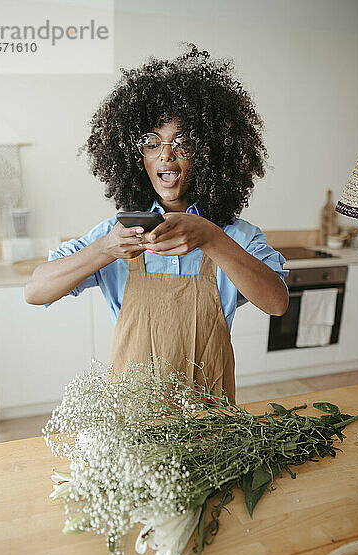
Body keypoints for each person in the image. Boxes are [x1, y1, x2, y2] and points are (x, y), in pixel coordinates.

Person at [25, 43, 290, 405]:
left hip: (208, 410)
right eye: (152, 143)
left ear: (210, 154)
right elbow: (35, 291)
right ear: (138, 158)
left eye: (183, 142)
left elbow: (277, 303)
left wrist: (211, 238)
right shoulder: (115, 234)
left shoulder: (234, 236)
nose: (166, 154)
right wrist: (105, 250)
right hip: (130, 415)